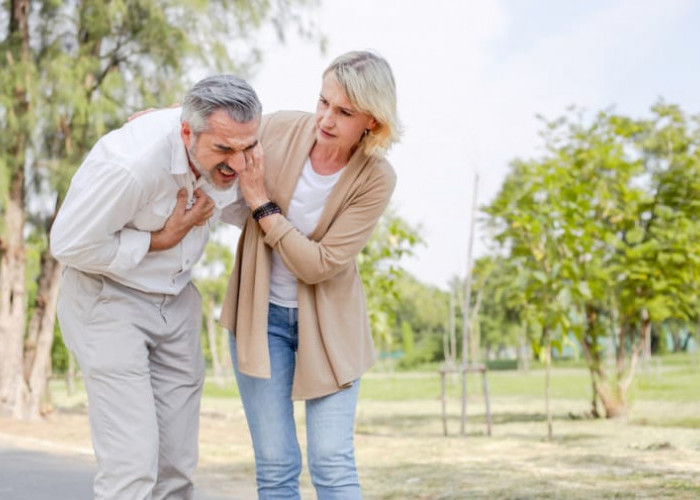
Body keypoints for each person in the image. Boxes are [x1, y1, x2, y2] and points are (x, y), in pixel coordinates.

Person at [50, 75, 262, 500]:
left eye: (247, 148)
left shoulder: (234, 137)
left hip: (177, 302)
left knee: (176, 467)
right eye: (223, 150)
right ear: (186, 132)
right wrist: (158, 240)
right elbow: (68, 243)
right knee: (131, 466)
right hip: (107, 300)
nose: (238, 165)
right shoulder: (131, 165)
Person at [219, 50, 401, 499]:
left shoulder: (377, 178)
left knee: (331, 462)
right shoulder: (281, 128)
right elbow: (219, 124)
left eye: (343, 112)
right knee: (277, 465)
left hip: (331, 331)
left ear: (372, 123)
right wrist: (163, 118)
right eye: (323, 102)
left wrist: (262, 205)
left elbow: (318, 264)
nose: (325, 118)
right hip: (260, 321)